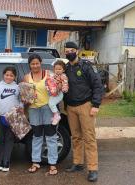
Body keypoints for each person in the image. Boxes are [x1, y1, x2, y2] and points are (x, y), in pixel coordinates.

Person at [63, 41, 103, 182]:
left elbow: (98, 85)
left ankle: (93, 169)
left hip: (86, 105)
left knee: (89, 138)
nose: (68, 53)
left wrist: (96, 104)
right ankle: (78, 163)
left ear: (77, 51)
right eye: (66, 51)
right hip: (71, 108)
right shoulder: (66, 68)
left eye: (71, 50)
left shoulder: (86, 66)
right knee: (76, 137)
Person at [23, 54, 58, 175]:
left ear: (41, 62)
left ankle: (52, 164)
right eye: (32, 63)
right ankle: (35, 162)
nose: (35, 65)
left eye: (37, 63)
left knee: (51, 136)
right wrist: (27, 99)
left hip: (48, 108)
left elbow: (56, 90)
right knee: (36, 136)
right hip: (33, 109)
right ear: (29, 65)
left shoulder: (49, 74)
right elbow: (24, 96)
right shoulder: (27, 77)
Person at [0, 66, 23, 172]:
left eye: (11, 75)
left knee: (9, 140)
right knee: (0, 140)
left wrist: (20, 108)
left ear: (14, 77)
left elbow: (21, 100)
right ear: (3, 75)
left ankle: (6, 162)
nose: (9, 77)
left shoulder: (17, 87)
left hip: (12, 117)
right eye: (7, 75)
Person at [47, 60, 68, 125]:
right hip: (54, 93)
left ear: (63, 70)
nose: (58, 70)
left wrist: (64, 89)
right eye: (56, 69)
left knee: (51, 103)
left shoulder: (63, 76)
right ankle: (55, 115)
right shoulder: (53, 75)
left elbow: (65, 83)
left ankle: (57, 115)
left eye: (59, 69)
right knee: (50, 102)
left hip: (59, 94)